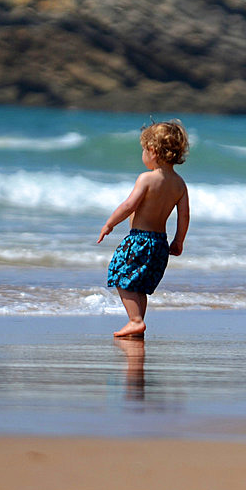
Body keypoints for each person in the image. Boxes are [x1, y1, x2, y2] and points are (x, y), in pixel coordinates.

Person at [98, 120, 190, 338]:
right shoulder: (179, 184)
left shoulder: (147, 178)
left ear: (152, 150)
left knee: (120, 275)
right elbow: (184, 215)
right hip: (160, 243)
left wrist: (109, 223)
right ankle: (137, 322)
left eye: (143, 150)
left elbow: (129, 205)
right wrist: (179, 241)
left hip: (139, 240)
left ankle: (135, 320)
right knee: (140, 284)